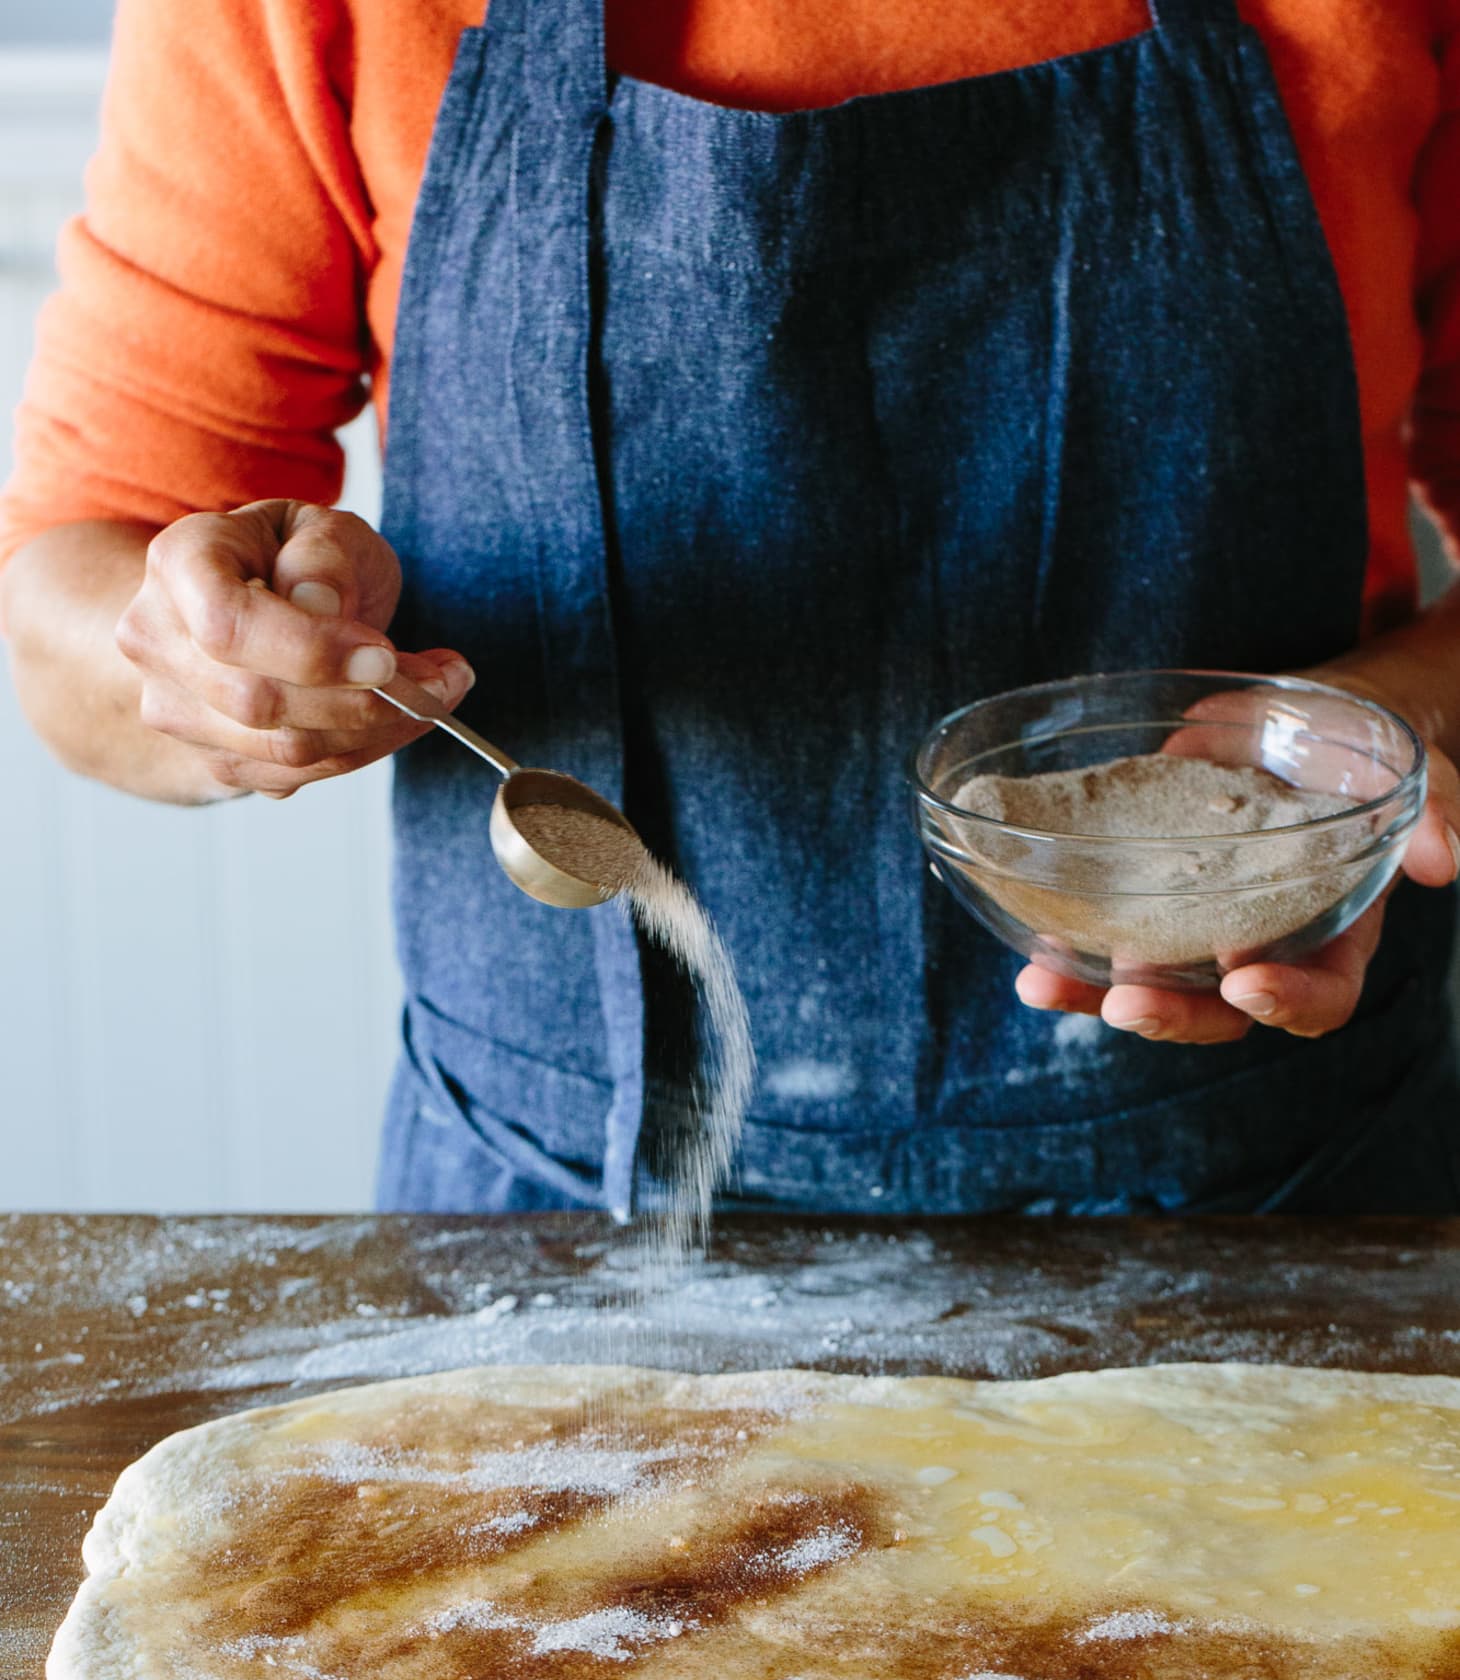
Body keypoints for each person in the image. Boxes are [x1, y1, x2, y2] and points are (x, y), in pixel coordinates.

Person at [3, 0, 1460, 1217]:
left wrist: (1392, 735)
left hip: (1284, 1198)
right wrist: (211, 663)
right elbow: (73, 581)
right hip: (554, 1238)